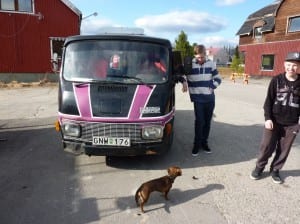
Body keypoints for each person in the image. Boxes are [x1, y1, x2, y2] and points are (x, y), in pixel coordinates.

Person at [250, 52, 300, 184]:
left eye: (295, 65)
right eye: (289, 65)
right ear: (284, 64)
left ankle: (275, 170)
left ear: (298, 66)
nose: (291, 68)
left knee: (284, 150)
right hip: (274, 121)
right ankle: (259, 167)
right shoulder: (276, 80)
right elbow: (268, 101)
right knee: (266, 147)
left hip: (292, 124)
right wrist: (268, 118)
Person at [182, 44, 222, 156]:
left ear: (205, 54)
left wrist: (213, 86)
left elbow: (218, 78)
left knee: (207, 122)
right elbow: (182, 74)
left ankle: (204, 143)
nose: (200, 59)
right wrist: (184, 81)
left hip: (210, 98)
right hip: (197, 98)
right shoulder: (190, 64)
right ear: (195, 55)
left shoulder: (211, 64)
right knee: (200, 122)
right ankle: (196, 144)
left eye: (202, 57)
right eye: (198, 57)